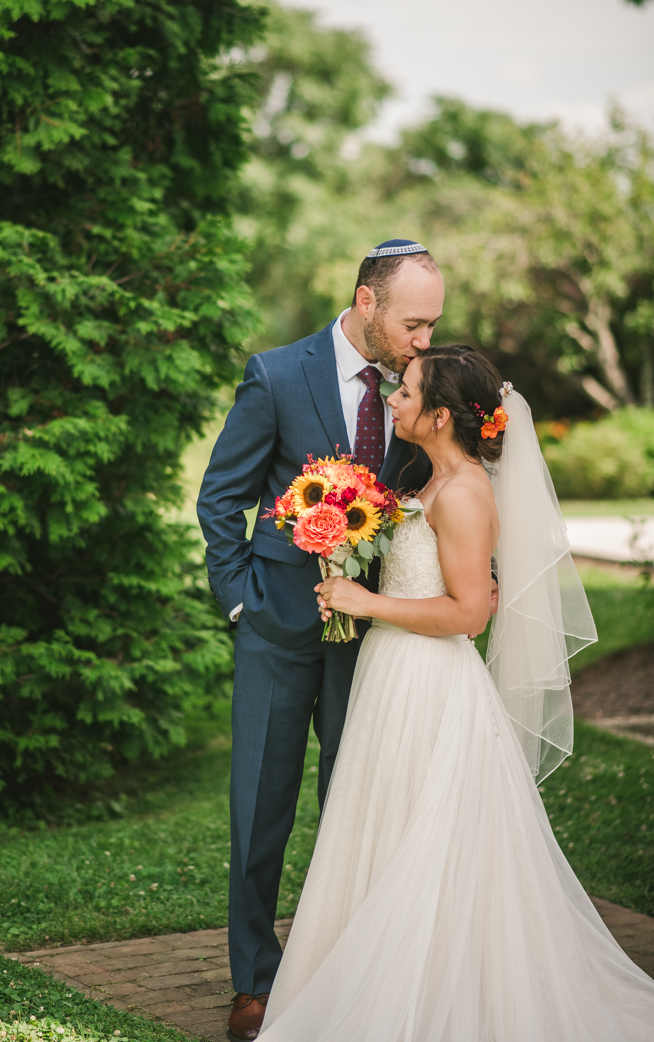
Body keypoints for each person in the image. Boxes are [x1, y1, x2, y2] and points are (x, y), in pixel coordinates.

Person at [257, 346, 654, 1041]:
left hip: (431, 688)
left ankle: (423, 998)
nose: (394, 401)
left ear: (441, 416)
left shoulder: (466, 492)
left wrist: (365, 600)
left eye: (407, 393)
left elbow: (470, 614)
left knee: (429, 844)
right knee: (388, 833)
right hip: (395, 677)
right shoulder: (429, 479)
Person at [197, 240, 451, 1041]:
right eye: (414, 323)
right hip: (277, 626)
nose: (424, 340)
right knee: (260, 808)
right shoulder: (275, 374)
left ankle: (345, 964)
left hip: (376, 634)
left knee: (357, 801)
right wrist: (243, 602)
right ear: (367, 302)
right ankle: (255, 981)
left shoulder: (422, 384)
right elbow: (220, 499)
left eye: (434, 324)